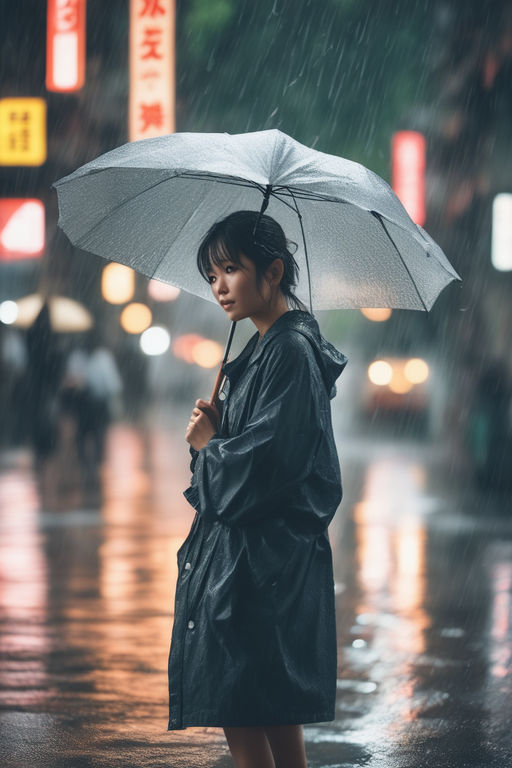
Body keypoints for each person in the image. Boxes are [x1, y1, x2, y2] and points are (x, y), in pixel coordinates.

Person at [167, 210, 348, 768]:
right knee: (267, 706)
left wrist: (210, 444)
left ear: (273, 272)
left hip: (259, 568)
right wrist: (221, 428)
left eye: (230, 269)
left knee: (241, 707)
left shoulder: (289, 352)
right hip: (263, 564)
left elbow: (268, 466)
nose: (219, 286)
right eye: (212, 274)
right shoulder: (269, 349)